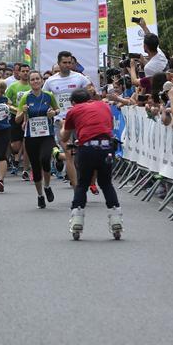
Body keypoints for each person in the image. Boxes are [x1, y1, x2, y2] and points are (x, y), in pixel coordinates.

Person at [61, 88, 122, 240]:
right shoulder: (103, 106)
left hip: (87, 148)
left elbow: (64, 136)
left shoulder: (74, 110)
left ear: (73, 102)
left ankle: (77, 221)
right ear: (89, 98)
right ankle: (115, 220)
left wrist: (63, 125)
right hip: (106, 147)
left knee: (82, 183)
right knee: (106, 183)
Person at [44, 51, 91, 185]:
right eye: (64, 63)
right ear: (59, 63)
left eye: (70, 62)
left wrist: (90, 92)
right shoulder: (50, 81)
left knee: (81, 152)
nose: (67, 65)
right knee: (69, 153)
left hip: (79, 120)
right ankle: (76, 185)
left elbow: (91, 93)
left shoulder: (80, 78)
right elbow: (45, 100)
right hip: (61, 121)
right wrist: (51, 112)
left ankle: (76, 175)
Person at [15, 71, 59, 208]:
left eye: (37, 79)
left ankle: (47, 186)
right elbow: (17, 119)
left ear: (41, 81)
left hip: (47, 134)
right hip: (31, 136)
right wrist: (23, 111)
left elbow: (57, 110)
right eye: (32, 79)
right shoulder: (26, 97)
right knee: (35, 166)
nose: (35, 81)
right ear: (29, 82)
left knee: (45, 159)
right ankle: (40, 195)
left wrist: (53, 113)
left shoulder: (49, 95)